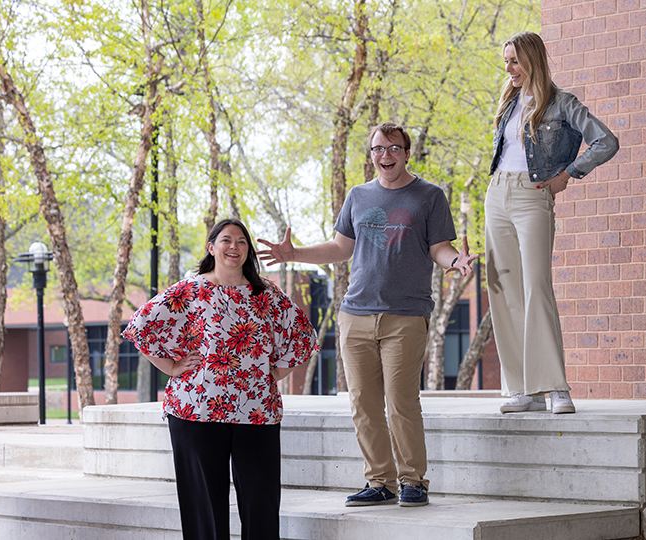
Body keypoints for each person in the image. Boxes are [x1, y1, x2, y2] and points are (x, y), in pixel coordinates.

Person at [257, 121, 478, 508]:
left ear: (407, 153)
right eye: (378, 149)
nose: (386, 155)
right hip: (355, 313)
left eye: (394, 148)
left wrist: (455, 261)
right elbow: (341, 247)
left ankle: (413, 481)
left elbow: (439, 247)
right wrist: (295, 254)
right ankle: (381, 481)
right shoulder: (358, 196)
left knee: (401, 401)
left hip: (405, 315)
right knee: (363, 402)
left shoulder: (428, 196)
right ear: (371, 155)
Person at [122, 218, 319, 540]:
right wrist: (171, 367)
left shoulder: (266, 294)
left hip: (256, 411)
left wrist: (277, 372)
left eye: (242, 242)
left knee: (261, 502)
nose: (234, 247)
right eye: (226, 240)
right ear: (211, 247)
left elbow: (302, 337)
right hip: (195, 411)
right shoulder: (189, 290)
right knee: (204, 506)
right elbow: (141, 326)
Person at [487, 31, 619, 415]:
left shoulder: (563, 103)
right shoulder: (509, 101)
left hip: (532, 196)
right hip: (496, 194)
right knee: (504, 291)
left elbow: (606, 141)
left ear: (533, 59)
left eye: (514, 60)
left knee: (536, 288)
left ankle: (554, 388)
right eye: (506, 61)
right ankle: (523, 390)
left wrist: (568, 174)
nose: (509, 68)